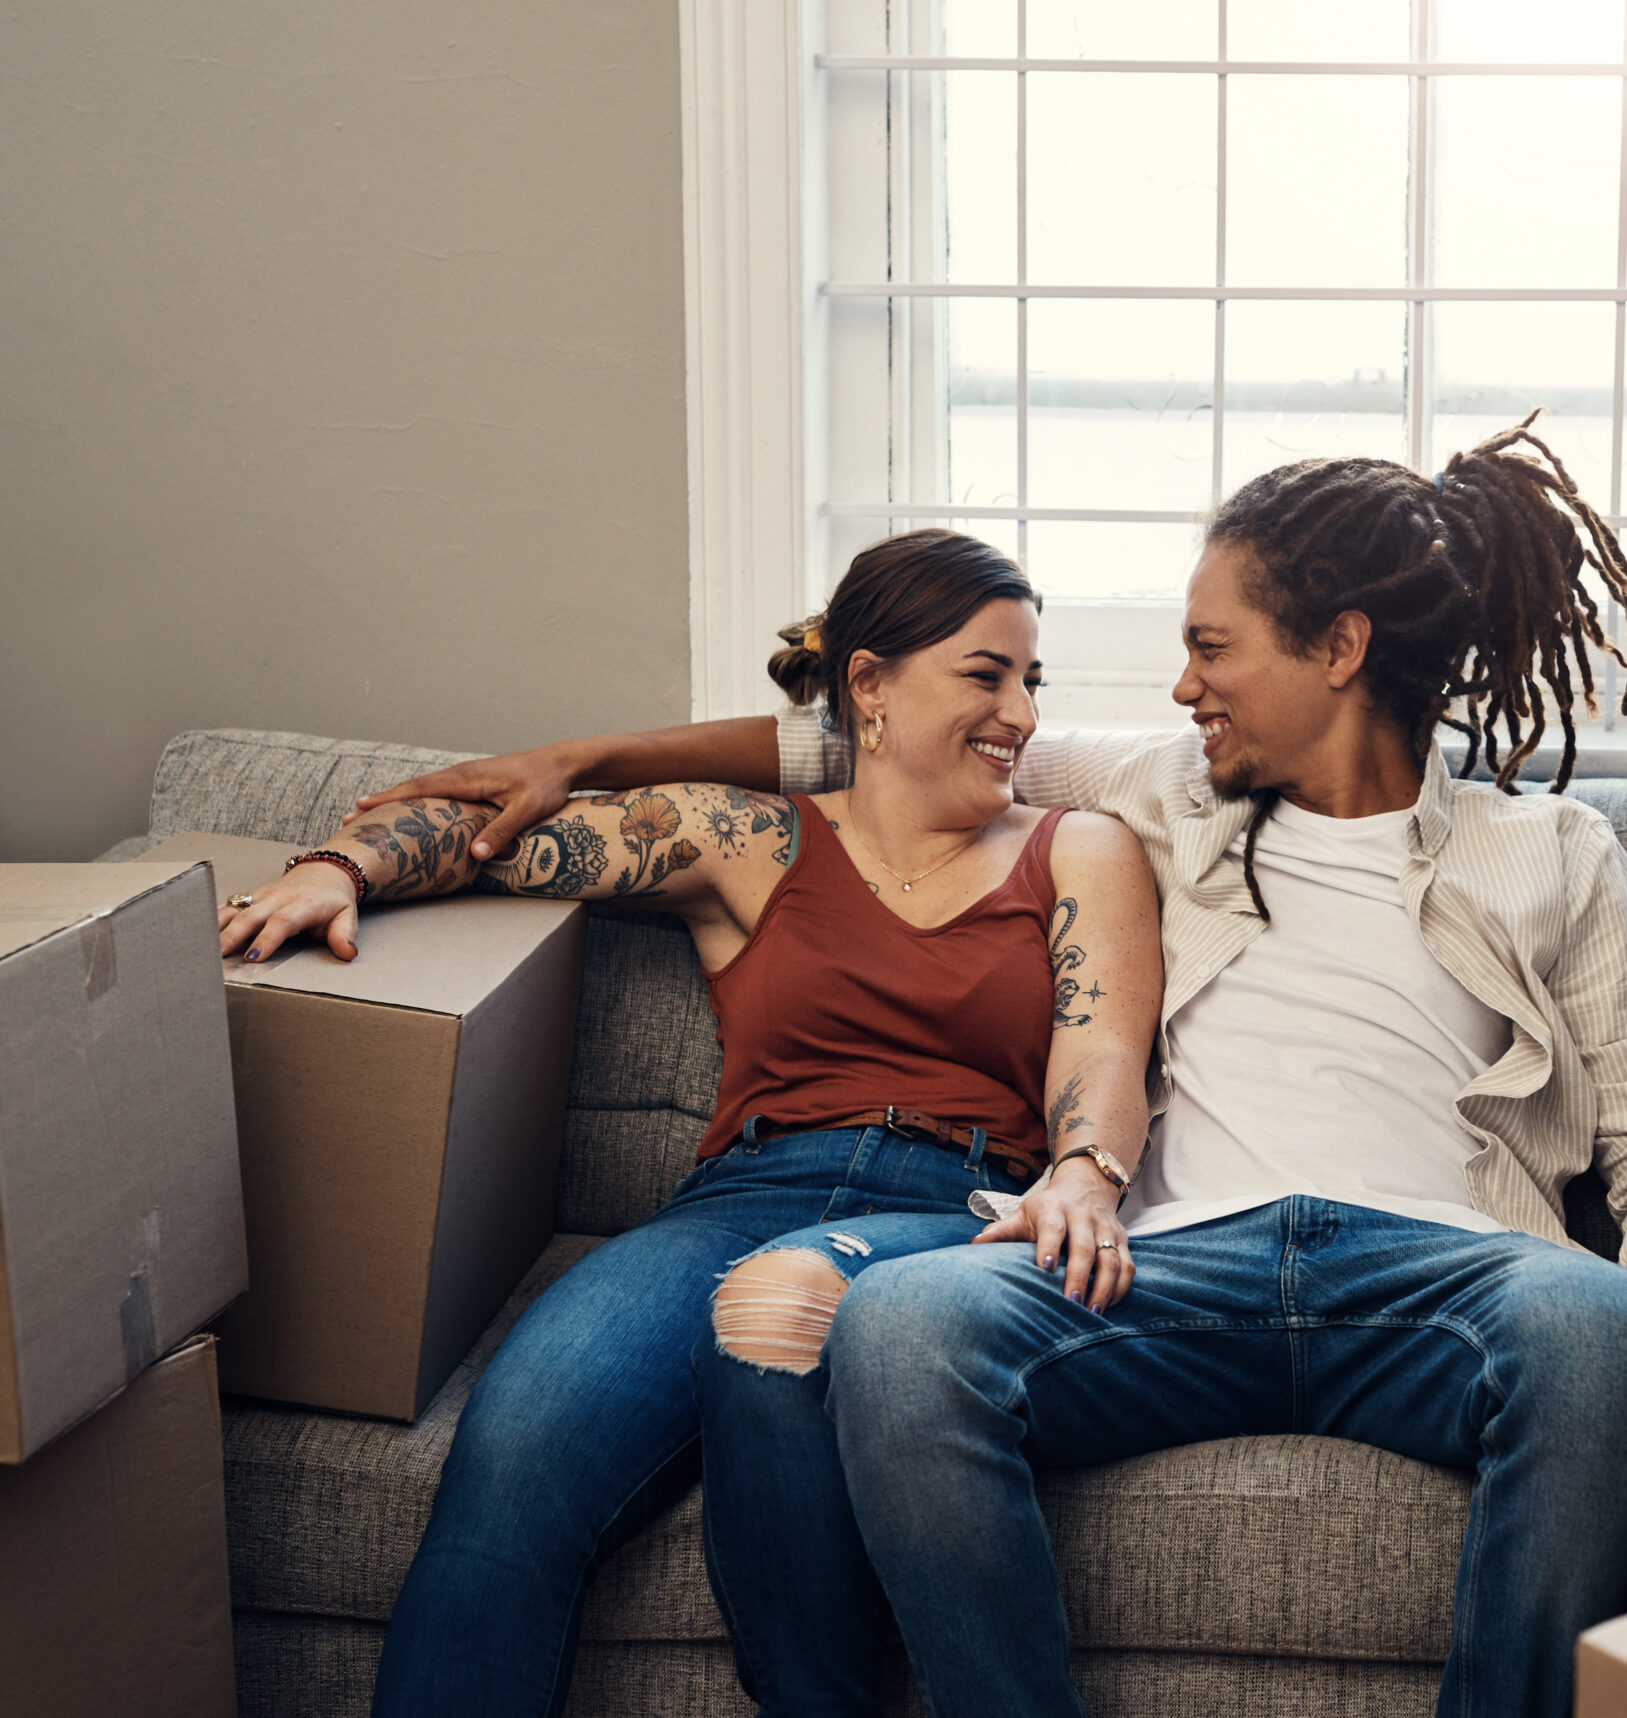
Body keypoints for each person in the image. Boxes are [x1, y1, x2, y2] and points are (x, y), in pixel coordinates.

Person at [363, 413, 1627, 1718]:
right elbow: (854, 737)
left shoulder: (1553, 853)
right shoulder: (1158, 786)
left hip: (1439, 1276)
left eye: (1213, 647)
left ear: (1339, 647)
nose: (1181, 682)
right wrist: (583, 755)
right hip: (1167, 1266)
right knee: (905, 1330)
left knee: (1593, 1324)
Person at [229, 529, 1162, 1718]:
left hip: (948, 1220)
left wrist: (1085, 1170)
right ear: (869, 686)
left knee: (775, 1330)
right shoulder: (749, 839)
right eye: (987, 675)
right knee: (509, 1470)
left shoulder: (1075, 844)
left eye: (1035, 681)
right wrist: (343, 867)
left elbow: (1099, 1048)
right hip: (736, 1201)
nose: (1021, 714)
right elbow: (490, 839)